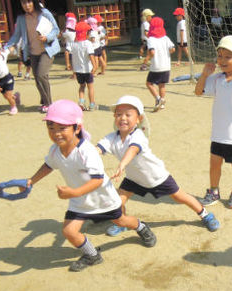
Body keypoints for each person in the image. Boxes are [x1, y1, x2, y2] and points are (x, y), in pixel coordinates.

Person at [20, 99, 157, 272]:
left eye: (62, 128)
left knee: (121, 220)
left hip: (103, 198)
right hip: (80, 201)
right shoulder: (55, 150)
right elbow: (49, 165)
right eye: (51, 128)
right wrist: (31, 180)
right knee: (69, 231)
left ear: (77, 128)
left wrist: (73, 192)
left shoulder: (86, 152)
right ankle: (92, 255)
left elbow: (98, 180)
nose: (56, 133)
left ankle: (142, 227)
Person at [96, 95, 221, 236]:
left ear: (139, 119)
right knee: (118, 201)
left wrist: (122, 164)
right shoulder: (111, 138)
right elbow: (97, 149)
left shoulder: (138, 136)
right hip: (134, 178)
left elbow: (133, 150)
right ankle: (123, 222)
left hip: (156, 177)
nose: (123, 118)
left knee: (180, 197)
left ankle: (205, 214)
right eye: (119, 114)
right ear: (114, 117)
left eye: (128, 114)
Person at [194, 35, 232, 209]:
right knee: (214, 163)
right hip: (219, 133)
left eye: (228, 57)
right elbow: (198, 91)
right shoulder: (217, 79)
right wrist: (205, 75)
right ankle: (213, 191)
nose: (222, 60)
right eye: (220, 56)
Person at [6, 0, 60, 114]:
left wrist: (47, 37)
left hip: (47, 50)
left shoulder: (44, 13)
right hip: (33, 52)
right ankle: (45, 102)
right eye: (23, 3)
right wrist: (7, 46)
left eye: (29, 2)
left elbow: (56, 30)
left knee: (41, 75)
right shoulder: (21, 18)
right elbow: (16, 35)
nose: (27, 5)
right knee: (37, 78)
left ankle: (49, 104)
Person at [141, 17, 175, 112]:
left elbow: (152, 52)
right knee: (162, 84)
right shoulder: (166, 38)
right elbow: (173, 49)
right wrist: (166, 54)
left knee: (149, 83)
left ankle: (158, 98)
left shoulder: (151, 39)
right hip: (166, 65)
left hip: (156, 66)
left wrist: (147, 59)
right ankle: (162, 102)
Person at [71, 21, 97, 111]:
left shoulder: (73, 44)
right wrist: (95, 66)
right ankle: (92, 104)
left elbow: (73, 58)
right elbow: (91, 55)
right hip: (87, 69)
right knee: (90, 87)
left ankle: (81, 102)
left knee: (82, 86)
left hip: (78, 70)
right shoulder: (88, 43)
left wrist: (73, 70)